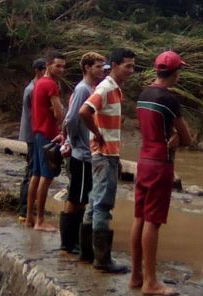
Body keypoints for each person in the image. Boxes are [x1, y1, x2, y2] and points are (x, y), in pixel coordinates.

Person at [129, 51, 193, 296]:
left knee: (139, 217)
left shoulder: (144, 94)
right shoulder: (169, 100)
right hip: (161, 163)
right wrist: (176, 139)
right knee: (153, 221)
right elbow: (186, 138)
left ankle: (136, 276)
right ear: (175, 73)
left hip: (143, 160)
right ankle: (151, 282)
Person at [78, 48, 136, 273]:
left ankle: (87, 254)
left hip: (106, 153)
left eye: (133, 66)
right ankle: (102, 260)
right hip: (104, 154)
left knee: (94, 203)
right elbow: (84, 112)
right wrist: (98, 134)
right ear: (114, 65)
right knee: (103, 204)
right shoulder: (105, 88)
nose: (131, 70)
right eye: (127, 66)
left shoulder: (113, 89)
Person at [59, 51, 106, 253]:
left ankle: (73, 240)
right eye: (98, 67)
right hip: (82, 153)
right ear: (87, 68)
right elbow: (70, 118)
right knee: (76, 198)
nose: (102, 71)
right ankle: (68, 243)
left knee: (82, 197)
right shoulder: (82, 90)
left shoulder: (91, 89)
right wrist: (73, 141)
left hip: (86, 151)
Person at [25, 52, 65, 231]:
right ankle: (40, 220)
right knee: (46, 176)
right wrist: (61, 111)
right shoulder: (50, 85)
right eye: (58, 66)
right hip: (48, 134)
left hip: (37, 133)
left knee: (36, 175)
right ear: (48, 65)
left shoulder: (38, 83)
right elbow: (59, 114)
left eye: (63, 66)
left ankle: (29, 217)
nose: (61, 70)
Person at [18, 58, 46, 222]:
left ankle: (28, 208)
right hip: (33, 135)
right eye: (45, 70)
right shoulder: (32, 89)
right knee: (31, 171)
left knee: (34, 170)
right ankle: (24, 209)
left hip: (34, 134)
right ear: (38, 71)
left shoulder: (35, 87)